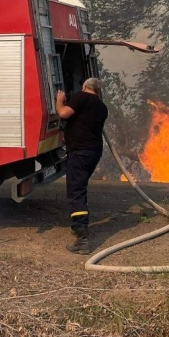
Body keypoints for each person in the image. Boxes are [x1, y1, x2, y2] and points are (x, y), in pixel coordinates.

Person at [56, 77, 108, 254]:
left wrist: (59, 100)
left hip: (80, 152)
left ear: (85, 86)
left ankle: (82, 239)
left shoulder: (81, 97)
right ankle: (78, 228)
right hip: (94, 152)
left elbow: (63, 114)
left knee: (76, 191)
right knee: (80, 187)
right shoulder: (102, 106)